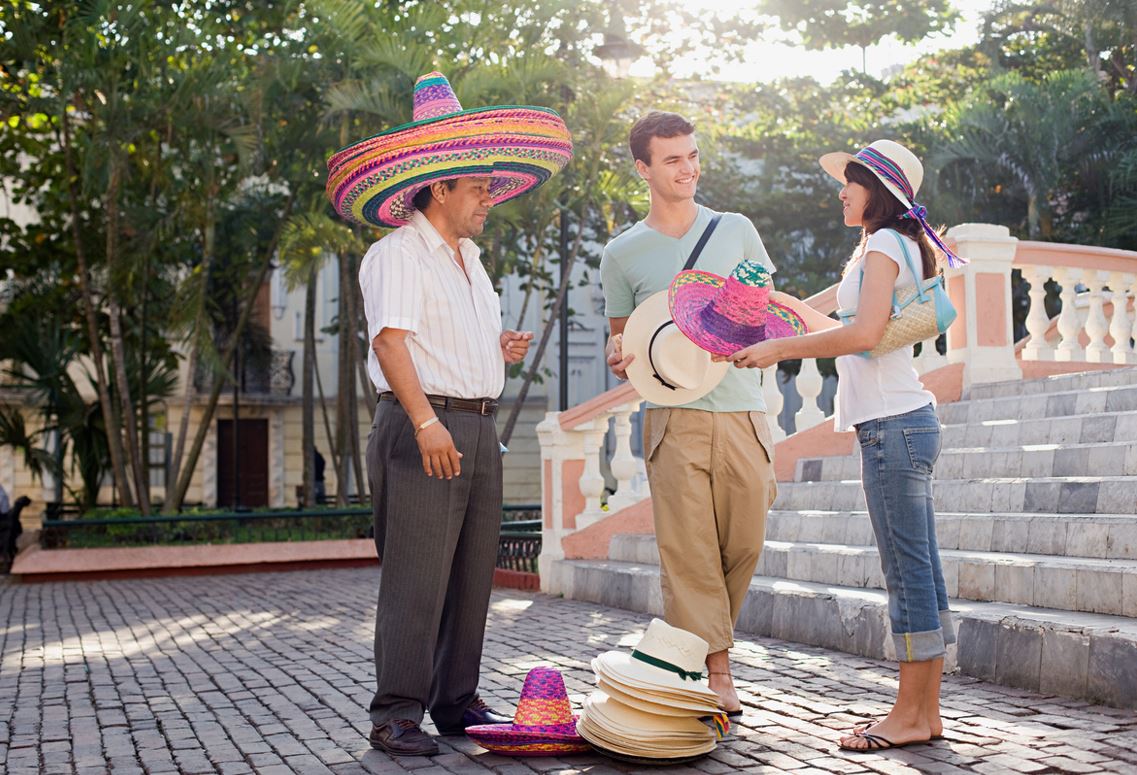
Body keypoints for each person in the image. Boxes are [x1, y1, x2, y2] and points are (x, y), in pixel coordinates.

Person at [327, 71, 572, 757]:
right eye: (478, 188)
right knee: (416, 577)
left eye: (491, 187)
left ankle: (454, 699)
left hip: (475, 424)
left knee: (469, 575)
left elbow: (442, 342)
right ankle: (395, 713)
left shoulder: (471, 262)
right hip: (422, 424)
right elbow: (391, 341)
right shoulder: (397, 254)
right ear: (439, 187)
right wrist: (428, 422)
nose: (488, 200)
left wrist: (498, 350)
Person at [718, 139, 964, 751]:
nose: (841, 192)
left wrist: (776, 349)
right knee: (922, 573)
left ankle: (909, 714)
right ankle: (925, 712)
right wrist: (772, 311)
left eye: (850, 183)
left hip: (892, 425)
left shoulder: (882, 245)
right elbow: (833, 320)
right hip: (905, 422)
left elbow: (861, 334)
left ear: (875, 190)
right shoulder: (892, 247)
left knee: (908, 576)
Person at [600, 111, 779, 717]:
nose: (688, 168)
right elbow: (624, 338)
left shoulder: (736, 229)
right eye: (673, 159)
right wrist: (616, 355)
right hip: (671, 418)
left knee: (746, 542)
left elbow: (767, 309)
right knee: (688, 550)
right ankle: (718, 669)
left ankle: (697, 646)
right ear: (643, 168)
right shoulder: (622, 253)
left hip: (741, 409)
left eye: (693, 155)